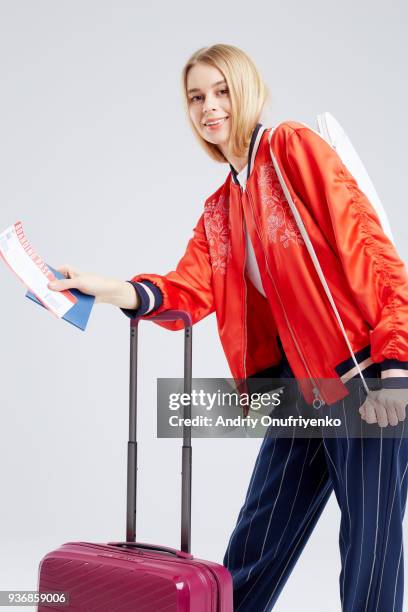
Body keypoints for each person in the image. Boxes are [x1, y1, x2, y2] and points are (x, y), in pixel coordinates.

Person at [47, 44, 408, 611]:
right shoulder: (221, 209)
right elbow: (185, 291)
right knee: (256, 544)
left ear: (247, 92)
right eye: (196, 97)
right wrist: (100, 285)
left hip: (363, 381)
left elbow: (372, 251)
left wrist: (397, 368)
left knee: (371, 552)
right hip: (298, 393)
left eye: (221, 91)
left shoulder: (290, 148)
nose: (209, 107)